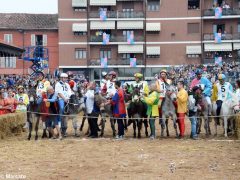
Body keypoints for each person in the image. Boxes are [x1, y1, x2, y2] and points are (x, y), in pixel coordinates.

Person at [55, 73, 72, 137]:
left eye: (66, 78)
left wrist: (69, 97)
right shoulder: (58, 84)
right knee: (62, 108)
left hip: (67, 98)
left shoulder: (67, 84)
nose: (65, 79)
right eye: (64, 78)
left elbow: (69, 92)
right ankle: (60, 117)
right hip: (61, 99)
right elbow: (59, 93)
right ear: (61, 78)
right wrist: (64, 98)